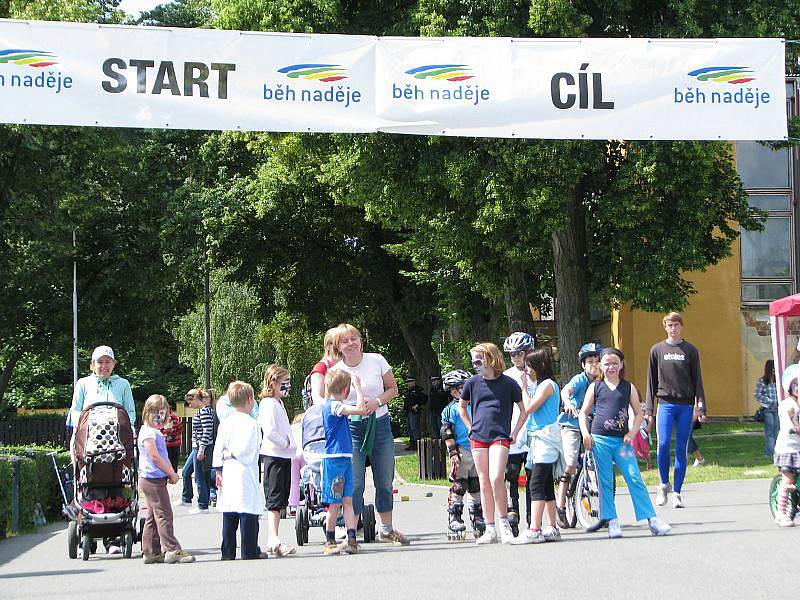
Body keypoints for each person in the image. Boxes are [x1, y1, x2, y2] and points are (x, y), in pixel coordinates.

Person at [579, 348, 671, 539]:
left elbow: (638, 414)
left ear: (621, 365)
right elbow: (584, 413)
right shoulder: (595, 387)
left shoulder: (628, 387)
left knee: (634, 478)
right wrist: (585, 433)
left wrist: (633, 432)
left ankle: (651, 519)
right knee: (605, 482)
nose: (611, 367)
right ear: (600, 366)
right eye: (607, 363)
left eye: (615, 363)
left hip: (622, 442)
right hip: (600, 441)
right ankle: (611, 520)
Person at [330, 323, 408, 545]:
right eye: (345, 341)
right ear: (339, 347)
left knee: (384, 479)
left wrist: (377, 401)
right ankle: (351, 532)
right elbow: (332, 402)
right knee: (354, 483)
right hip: (351, 429)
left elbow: (393, 389)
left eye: (353, 338)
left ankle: (386, 528)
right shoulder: (337, 371)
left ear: (360, 340)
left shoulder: (377, 360)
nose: (351, 343)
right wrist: (351, 409)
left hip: (379, 424)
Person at [68, 345, 136, 555]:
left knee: (116, 482)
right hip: (89, 443)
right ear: (92, 365)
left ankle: (113, 539)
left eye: (108, 362)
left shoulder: (122, 384)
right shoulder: (83, 384)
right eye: (100, 362)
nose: (104, 366)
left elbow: (130, 412)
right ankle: (88, 533)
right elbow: (75, 411)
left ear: (114, 364)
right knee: (88, 480)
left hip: (116, 444)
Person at [459, 342, 525, 545]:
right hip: (478, 436)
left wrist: (514, 432)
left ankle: (504, 524)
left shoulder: (508, 383)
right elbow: (462, 407)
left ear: (490, 359)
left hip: (500, 435)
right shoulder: (472, 383)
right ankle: (489, 528)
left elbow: (523, 410)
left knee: (497, 477)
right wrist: (470, 428)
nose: (475, 365)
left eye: (478, 360)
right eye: (473, 362)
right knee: (484, 479)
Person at [646, 312, 707, 509]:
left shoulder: (690, 350)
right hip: (665, 404)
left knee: (682, 448)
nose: (673, 329)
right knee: (663, 444)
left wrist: (701, 406)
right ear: (665, 327)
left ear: (681, 327)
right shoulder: (657, 350)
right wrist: (649, 408)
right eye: (669, 325)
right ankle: (664, 484)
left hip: (686, 405)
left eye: (676, 325)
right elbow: (650, 382)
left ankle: (678, 492)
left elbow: (698, 379)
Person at [511, 347, 565, 544]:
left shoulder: (547, 385)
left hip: (545, 440)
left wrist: (524, 388)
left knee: (536, 484)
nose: (526, 371)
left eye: (529, 367)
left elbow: (530, 408)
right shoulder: (544, 385)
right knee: (546, 484)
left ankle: (534, 529)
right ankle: (552, 527)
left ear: (540, 366)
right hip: (540, 439)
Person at [213, 381, 268, 560]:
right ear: (250, 400)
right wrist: (240, 455)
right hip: (244, 469)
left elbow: (218, 447)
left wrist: (218, 469)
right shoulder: (252, 423)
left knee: (229, 511)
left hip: (228, 468)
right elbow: (252, 448)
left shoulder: (225, 423)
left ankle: (227, 551)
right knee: (247, 509)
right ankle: (249, 549)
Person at [138, 394, 195, 564]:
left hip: (153, 479)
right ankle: (171, 549)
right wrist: (171, 472)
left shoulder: (152, 431)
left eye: (163, 414)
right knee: (164, 514)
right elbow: (155, 457)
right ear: (147, 412)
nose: (161, 418)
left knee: (153, 516)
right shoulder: (148, 433)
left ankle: (150, 551)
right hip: (152, 480)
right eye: (156, 413)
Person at [320, 370, 369, 555]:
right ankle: (330, 540)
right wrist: (358, 387)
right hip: (334, 459)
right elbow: (361, 409)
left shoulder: (334, 404)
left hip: (345, 457)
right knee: (335, 503)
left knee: (347, 501)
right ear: (345, 390)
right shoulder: (333, 406)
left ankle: (351, 538)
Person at [555, 342, 602, 529]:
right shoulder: (580, 380)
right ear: (583, 365)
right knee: (571, 463)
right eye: (590, 361)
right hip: (572, 425)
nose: (594, 365)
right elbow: (566, 391)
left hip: (593, 426)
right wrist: (567, 402)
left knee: (600, 462)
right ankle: (560, 506)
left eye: (597, 361)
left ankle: (602, 504)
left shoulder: (602, 382)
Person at [257, 364, 297, 557]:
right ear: (273, 382)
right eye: (284, 382)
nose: (287, 386)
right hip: (275, 455)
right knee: (274, 500)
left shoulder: (278, 403)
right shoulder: (268, 404)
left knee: (280, 500)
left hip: (285, 455)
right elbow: (270, 430)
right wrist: (285, 442)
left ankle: (274, 539)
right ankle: (273, 539)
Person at [440, 369, 484, 539]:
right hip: (462, 451)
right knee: (460, 486)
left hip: (478, 449)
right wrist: (452, 452)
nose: (459, 392)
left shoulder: (477, 404)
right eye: (455, 390)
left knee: (476, 485)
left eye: (462, 388)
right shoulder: (451, 409)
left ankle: (477, 516)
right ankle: (454, 517)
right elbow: (446, 431)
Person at [502, 332, 535, 529]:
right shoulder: (506, 377)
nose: (516, 357)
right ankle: (512, 513)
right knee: (511, 476)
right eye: (512, 354)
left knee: (533, 480)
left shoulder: (537, 373)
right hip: (513, 433)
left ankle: (533, 519)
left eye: (520, 353)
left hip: (533, 435)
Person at [773, 364, 800, 527]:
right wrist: (794, 427)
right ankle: (781, 513)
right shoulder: (787, 405)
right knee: (788, 480)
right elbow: (788, 422)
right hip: (787, 449)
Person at [182, 388, 214, 514]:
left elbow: (207, 431)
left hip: (201, 448)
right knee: (185, 472)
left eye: (190, 402)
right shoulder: (200, 411)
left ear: (196, 399)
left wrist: (201, 449)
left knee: (200, 477)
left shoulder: (205, 412)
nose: (189, 405)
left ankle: (203, 505)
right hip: (196, 447)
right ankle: (186, 498)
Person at [308, 327, 342, 406]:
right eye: (336, 343)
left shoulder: (345, 365)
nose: (340, 347)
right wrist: (336, 408)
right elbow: (317, 398)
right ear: (328, 346)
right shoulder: (321, 367)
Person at [755, 359, 779, 457]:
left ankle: (776, 451)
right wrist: (768, 400)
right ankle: (770, 452)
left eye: (775, 368)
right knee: (769, 432)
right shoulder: (762, 381)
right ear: (768, 369)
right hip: (768, 409)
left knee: (777, 431)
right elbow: (757, 395)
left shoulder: (778, 381)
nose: (774, 370)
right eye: (772, 368)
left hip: (777, 409)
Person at [403, 376, 427, 450]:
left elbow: (424, 398)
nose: (409, 383)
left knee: (415, 428)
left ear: (414, 382)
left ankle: (417, 444)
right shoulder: (408, 391)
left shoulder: (418, 390)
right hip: (408, 411)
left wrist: (418, 405)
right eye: (408, 382)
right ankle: (412, 444)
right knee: (410, 429)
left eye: (410, 382)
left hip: (414, 412)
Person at [160, 400, 183, 472]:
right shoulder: (176, 418)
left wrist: (167, 430)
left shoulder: (162, 419)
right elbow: (180, 429)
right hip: (175, 442)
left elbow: (160, 430)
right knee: (175, 458)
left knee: (168, 458)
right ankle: (174, 472)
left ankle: (170, 472)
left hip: (167, 442)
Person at [428, 375, 449, 440]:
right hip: (433, 410)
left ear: (438, 381)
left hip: (441, 410)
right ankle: (437, 440)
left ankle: (442, 440)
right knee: (434, 426)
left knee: (440, 425)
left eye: (435, 380)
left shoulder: (443, 389)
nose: (433, 382)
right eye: (432, 381)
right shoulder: (432, 390)